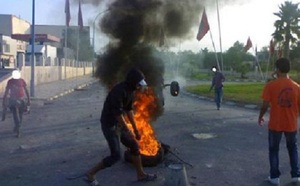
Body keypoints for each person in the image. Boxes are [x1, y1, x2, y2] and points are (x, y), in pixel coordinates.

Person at [85, 68, 157, 186]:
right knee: (116, 156)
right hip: (109, 125)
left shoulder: (131, 91)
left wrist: (135, 129)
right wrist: (128, 130)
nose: (140, 87)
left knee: (134, 145)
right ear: (133, 82)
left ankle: (141, 175)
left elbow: (129, 111)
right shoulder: (119, 91)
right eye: (139, 84)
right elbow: (118, 114)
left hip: (118, 124)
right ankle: (90, 173)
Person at [258, 58, 300, 185]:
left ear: (277, 69)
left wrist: (260, 116)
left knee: (274, 150)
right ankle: (296, 175)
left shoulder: (271, 85)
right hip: (291, 124)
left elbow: (265, 105)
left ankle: (275, 177)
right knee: (293, 148)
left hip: (276, 124)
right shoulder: (296, 87)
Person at [2, 69, 30, 138]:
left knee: (20, 116)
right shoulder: (10, 81)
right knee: (16, 116)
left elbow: (26, 90)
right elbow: (6, 91)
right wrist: (4, 100)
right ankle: (18, 130)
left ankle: (17, 126)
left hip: (21, 99)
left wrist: (28, 100)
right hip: (13, 100)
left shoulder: (21, 81)